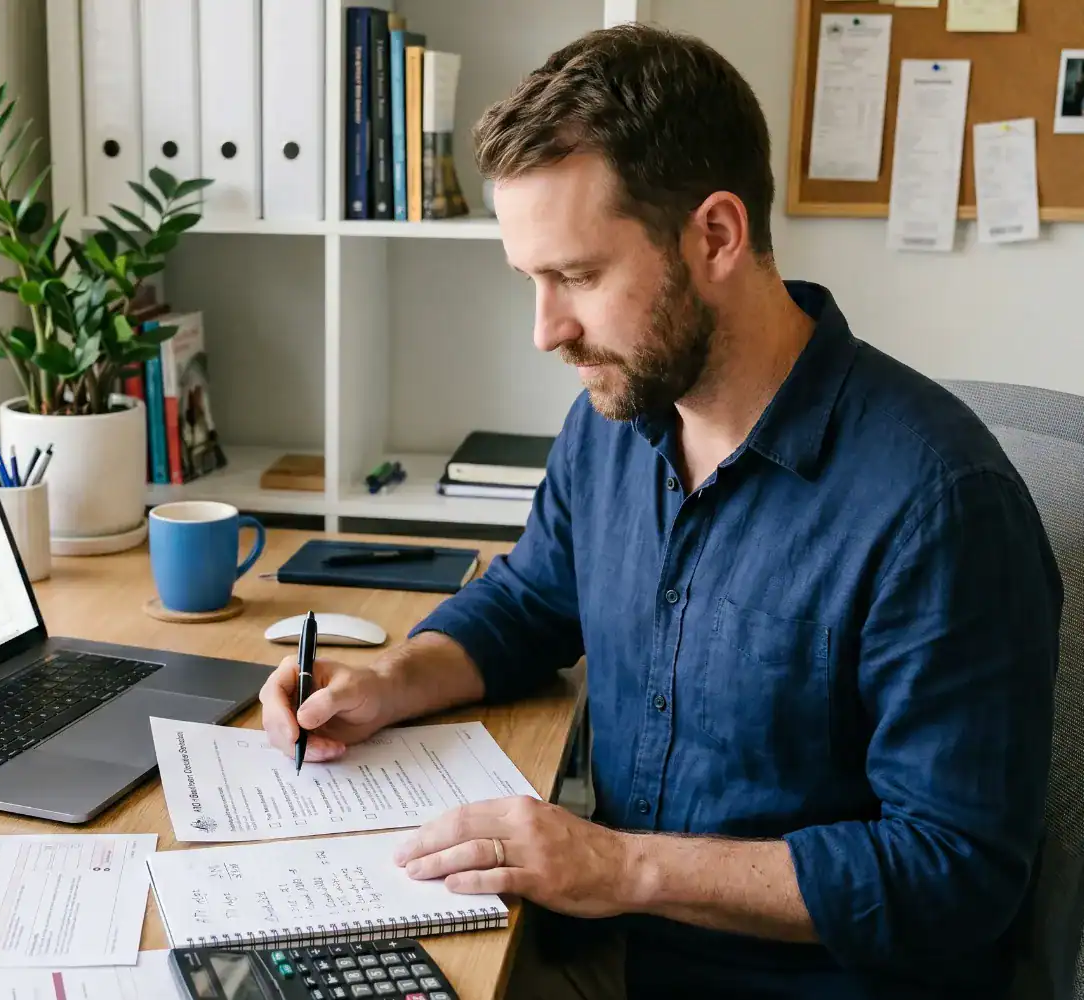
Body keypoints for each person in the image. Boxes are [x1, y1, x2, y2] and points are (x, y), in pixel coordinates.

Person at [257, 22, 1062, 1000]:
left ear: (717, 235)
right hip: (609, 944)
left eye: (579, 277)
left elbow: (953, 874)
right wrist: (390, 678)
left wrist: (617, 866)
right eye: (532, 280)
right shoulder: (615, 420)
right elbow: (526, 602)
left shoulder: (939, 506)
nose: (547, 330)